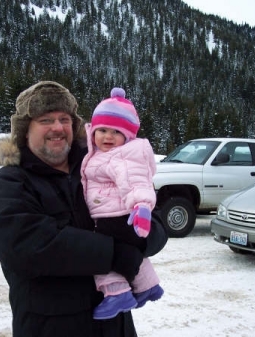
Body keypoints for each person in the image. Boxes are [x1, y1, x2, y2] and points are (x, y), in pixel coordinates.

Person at [0, 81, 168, 337]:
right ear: (25, 131)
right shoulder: (10, 183)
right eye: (46, 120)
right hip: (51, 328)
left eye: (64, 119)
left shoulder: (100, 165)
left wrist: (140, 241)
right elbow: (26, 246)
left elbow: (155, 223)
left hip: (115, 328)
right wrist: (116, 255)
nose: (57, 127)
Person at [81, 88, 164, 320]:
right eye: (102, 130)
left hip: (115, 216)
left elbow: (135, 181)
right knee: (126, 252)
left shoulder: (122, 156)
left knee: (98, 254)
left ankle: (117, 293)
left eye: (116, 132)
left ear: (127, 136)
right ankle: (148, 286)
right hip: (111, 213)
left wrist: (142, 207)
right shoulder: (100, 154)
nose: (108, 137)